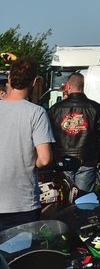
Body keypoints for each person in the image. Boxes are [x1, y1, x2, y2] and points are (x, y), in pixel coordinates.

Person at [0, 58, 54, 231]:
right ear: (34, 81)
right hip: (21, 201)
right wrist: (30, 161)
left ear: (9, 79)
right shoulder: (36, 112)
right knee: (19, 256)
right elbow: (44, 159)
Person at [48, 72, 100, 193]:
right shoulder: (96, 108)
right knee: (84, 199)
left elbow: (48, 135)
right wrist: (97, 155)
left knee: (64, 199)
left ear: (68, 86)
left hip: (62, 160)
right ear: (83, 87)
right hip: (87, 159)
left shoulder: (55, 109)